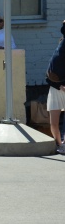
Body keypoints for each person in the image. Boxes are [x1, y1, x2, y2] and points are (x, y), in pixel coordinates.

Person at [45, 21, 65, 154]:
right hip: (57, 87)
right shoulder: (60, 50)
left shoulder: (59, 51)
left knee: (55, 121)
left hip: (58, 86)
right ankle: (60, 144)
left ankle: (61, 144)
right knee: (54, 122)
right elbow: (49, 74)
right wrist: (59, 85)